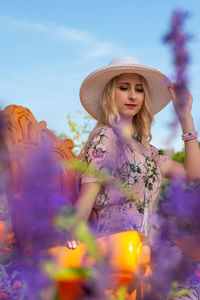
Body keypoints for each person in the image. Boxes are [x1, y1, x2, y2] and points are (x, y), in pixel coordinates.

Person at [66, 56, 200, 298]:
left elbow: (193, 174)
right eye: (124, 88)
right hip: (121, 247)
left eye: (139, 90)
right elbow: (88, 196)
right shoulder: (105, 137)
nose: (133, 96)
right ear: (110, 94)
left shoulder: (146, 150)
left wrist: (186, 118)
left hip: (154, 248)